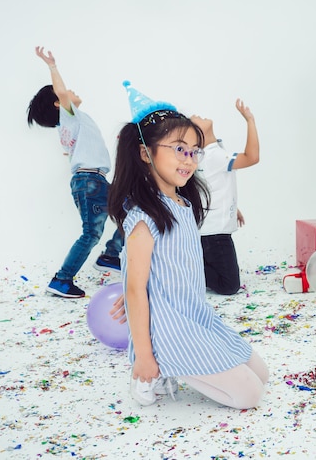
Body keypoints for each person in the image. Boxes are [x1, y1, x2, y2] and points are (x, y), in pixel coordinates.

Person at [108, 81, 268, 408]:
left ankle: (181, 365)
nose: (190, 159)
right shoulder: (143, 218)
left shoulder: (181, 204)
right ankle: (156, 371)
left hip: (195, 315)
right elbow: (136, 287)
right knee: (250, 395)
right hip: (170, 329)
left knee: (261, 375)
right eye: (179, 148)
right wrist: (145, 357)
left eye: (195, 150)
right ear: (144, 153)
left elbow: (170, 267)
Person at [27, 47, 123, 298]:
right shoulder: (71, 116)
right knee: (91, 233)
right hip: (91, 181)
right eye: (64, 94)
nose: (71, 92)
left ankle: (111, 256)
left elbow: (72, 151)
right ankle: (62, 279)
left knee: (131, 208)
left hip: (94, 180)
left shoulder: (69, 126)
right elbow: (60, 91)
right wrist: (52, 66)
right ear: (59, 103)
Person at [191, 99, 260, 295]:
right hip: (215, 234)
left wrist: (232, 206)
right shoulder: (214, 156)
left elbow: (211, 187)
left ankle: (191, 266)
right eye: (193, 120)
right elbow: (252, 157)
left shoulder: (211, 155)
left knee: (227, 280)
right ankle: (187, 269)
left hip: (210, 232)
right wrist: (250, 121)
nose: (197, 115)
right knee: (229, 286)